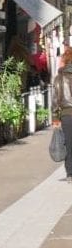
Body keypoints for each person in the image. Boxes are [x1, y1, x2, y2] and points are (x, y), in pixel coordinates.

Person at [53, 48, 72, 181]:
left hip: (66, 115)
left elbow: (55, 100)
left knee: (68, 144)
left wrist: (55, 119)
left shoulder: (59, 78)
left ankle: (70, 173)